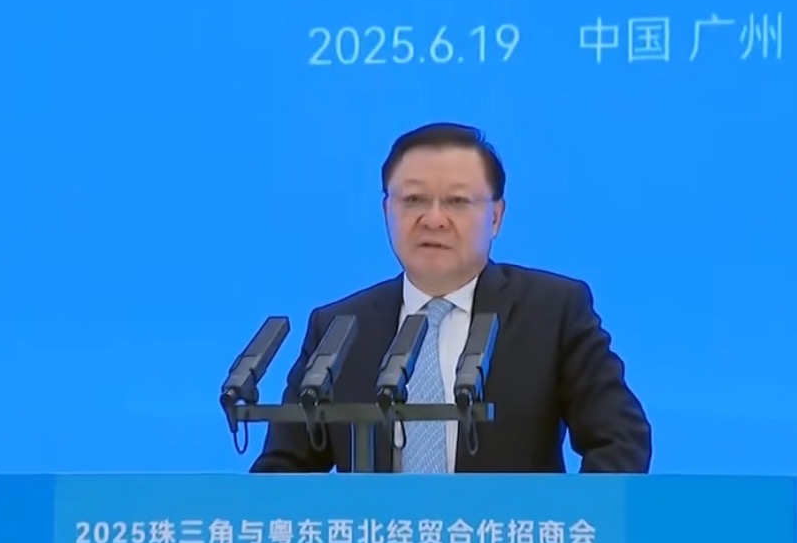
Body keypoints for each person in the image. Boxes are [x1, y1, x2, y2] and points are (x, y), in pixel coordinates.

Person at [249, 122, 651, 474]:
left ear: (496, 217)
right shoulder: (339, 328)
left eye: (457, 202)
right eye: (413, 200)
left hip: (509, 539)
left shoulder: (553, 310)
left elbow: (621, 440)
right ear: (386, 210)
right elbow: (283, 469)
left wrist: (571, 526)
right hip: (376, 541)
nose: (434, 219)